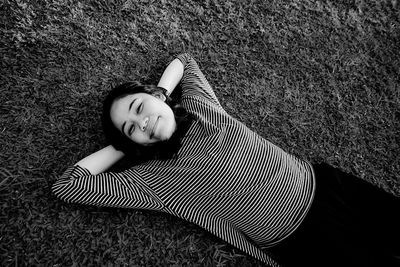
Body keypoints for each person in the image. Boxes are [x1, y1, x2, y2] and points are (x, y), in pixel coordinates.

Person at [52, 53, 400, 267]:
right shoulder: (150, 181)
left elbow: (184, 61)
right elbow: (68, 186)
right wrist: (122, 147)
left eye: (139, 107)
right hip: (304, 239)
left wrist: (161, 92)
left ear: (155, 96)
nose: (141, 122)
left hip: (325, 186)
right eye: (131, 129)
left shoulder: (203, 107)